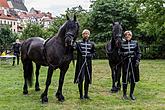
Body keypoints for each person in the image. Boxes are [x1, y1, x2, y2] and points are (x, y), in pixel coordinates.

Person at [74, 29, 96, 99]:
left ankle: (86, 94)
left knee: (87, 79)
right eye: (84, 34)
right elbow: (74, 48)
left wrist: (91, 55)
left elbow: (94, 52)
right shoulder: (78, 43)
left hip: (88, 63)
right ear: (82, 35)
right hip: (80, 63)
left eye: (87, 34)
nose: (86, 35)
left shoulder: (91, 44)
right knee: (81, 79)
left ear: (89, 35)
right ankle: (81, 95)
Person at [119, 31, 141, 100]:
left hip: (134, 63)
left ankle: (131, 94)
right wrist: (125, 54)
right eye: (126, 35)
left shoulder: (135, 43)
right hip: (125, 63)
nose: (127, 36)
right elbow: (119, 52)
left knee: (133, 78)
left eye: (129, 35)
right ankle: (124, 94)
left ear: (131, 36)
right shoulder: (122, 43)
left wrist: (138, 60)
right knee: (125, 78)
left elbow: (139, 52)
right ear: (125, 36)